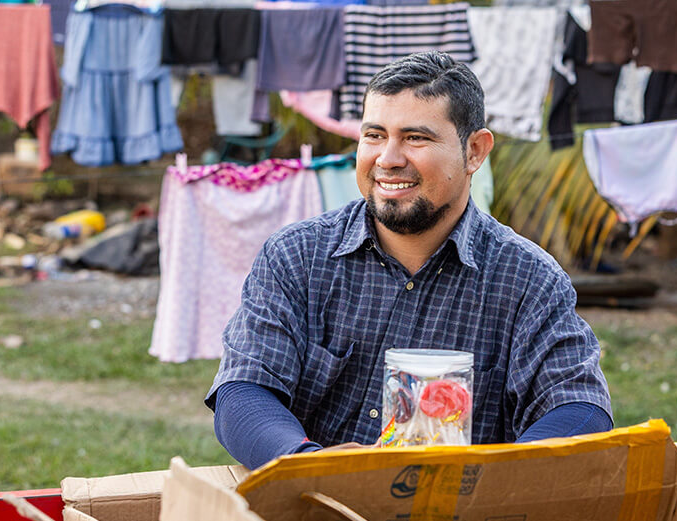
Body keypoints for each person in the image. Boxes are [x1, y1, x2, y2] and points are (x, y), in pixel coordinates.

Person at [206, 51, 612, 469]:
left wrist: (494, 482)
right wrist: (310, 467)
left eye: (416, 138)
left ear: (475, 151)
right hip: (313, 497)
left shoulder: (528, 279)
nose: (388, 159)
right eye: (374, 135)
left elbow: (578, 408)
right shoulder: (297, 257)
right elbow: (243, 391)